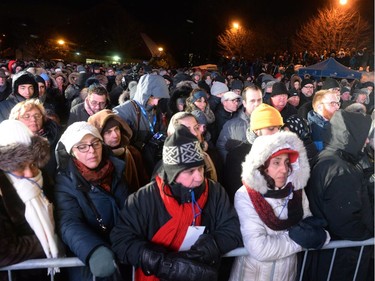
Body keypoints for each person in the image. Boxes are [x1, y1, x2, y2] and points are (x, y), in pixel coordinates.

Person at [110, 125, 243, 281]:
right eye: (190, 171)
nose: (200, 177)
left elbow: (232, 229)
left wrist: (209, 247)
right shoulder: (143, 198)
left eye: (200, 168)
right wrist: (158, 261)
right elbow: (121, 240)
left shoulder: (215, 191)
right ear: (172, 174)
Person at [229, 131, 330, 281]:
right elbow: (259, 248)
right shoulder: (246, 195)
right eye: (276, 162)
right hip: (254, 275)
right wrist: (301, 239)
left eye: (287, 163)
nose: (284, 169)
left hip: (288, 273)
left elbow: (310, 224)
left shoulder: (296, 191)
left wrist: (316, 235)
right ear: (261, 166)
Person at [54, 121, 131, 281]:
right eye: (82, 146)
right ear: (72, 151)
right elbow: (68, 222)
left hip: (122, 251)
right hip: (90, 261)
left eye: (95, 143)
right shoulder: (65, 182)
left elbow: (129, 209)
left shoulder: (116, 171)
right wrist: (94, 250)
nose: (92, 151)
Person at [305, 110, 373, 281]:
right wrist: (369, 234)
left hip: (336, 254)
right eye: (363, 135)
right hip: (343, 257)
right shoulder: (339, 169)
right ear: (350, 135)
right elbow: (345, 220)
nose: (366, 141)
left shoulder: (332, 159)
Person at [0, 120, 63, 280]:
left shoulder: (45, 179)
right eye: (19, 166)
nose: (29, 173)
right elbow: (4, 251)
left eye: (33, 164)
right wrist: (51, 240)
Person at [222, 103, 284, 202]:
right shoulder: (237, 157)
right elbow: (236, 194)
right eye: (271, 129)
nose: (276, 133)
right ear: (256, 131)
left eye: (279, 128)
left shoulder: (283, 153)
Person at [113, 73, 170, 177]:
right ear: (146, 94)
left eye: (159, 98)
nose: (157, 102)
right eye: (154, 98)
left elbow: (162, 129)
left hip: (152, 158)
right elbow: (117, 141)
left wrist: (159, 137)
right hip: (135, 162)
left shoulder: (156, 109)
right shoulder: (124, 111)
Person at [88, 109, 149, 192]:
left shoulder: (133, 152)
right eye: (108, 132)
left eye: (116, 129)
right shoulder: (95, 161)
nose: (115, 135)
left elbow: (144, 183)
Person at [9, 98, 62, 178]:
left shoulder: (56, 136)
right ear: (16, 120)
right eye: (27, 116)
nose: (33, 119)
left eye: (37, 115)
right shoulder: (9, 142)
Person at [216, 84, 262, 162]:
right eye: (252, 101)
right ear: (244, 103)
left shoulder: (271, 122)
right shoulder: (231, 125)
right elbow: (221, 147)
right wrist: (232, 163)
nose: (256, 104)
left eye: (259, 100)